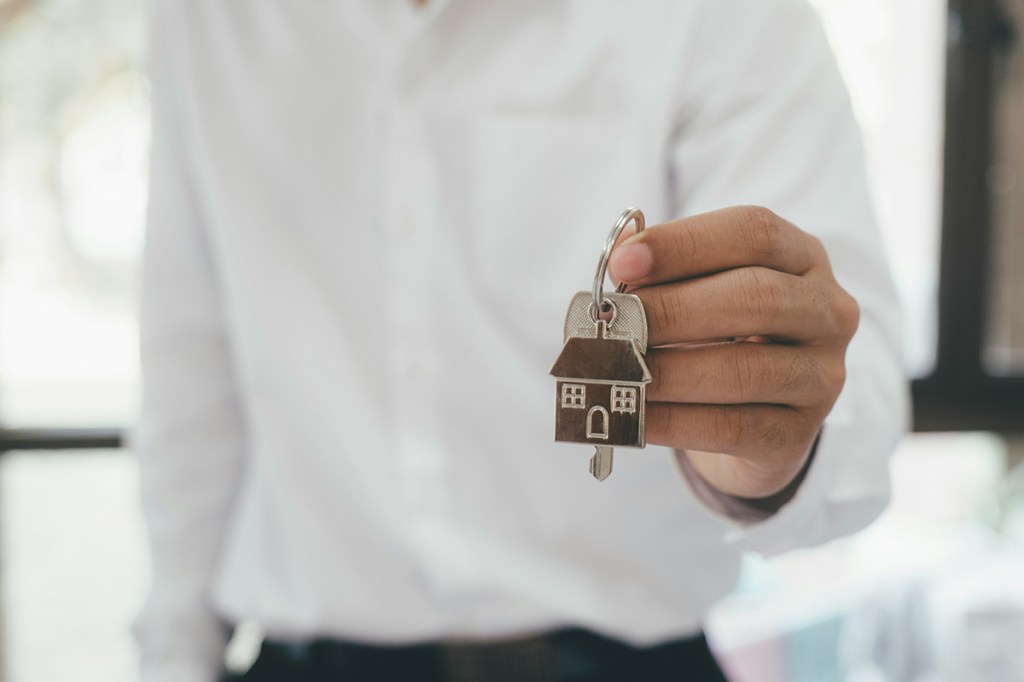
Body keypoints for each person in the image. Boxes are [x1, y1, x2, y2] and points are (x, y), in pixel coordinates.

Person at [133, 0, 908, 680]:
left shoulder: (722, 15)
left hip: (630, 662)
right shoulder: (207, 18)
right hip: (303, 657)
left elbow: (856, 386)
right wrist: (174, 655)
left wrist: (763, 449)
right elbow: (189, 376)